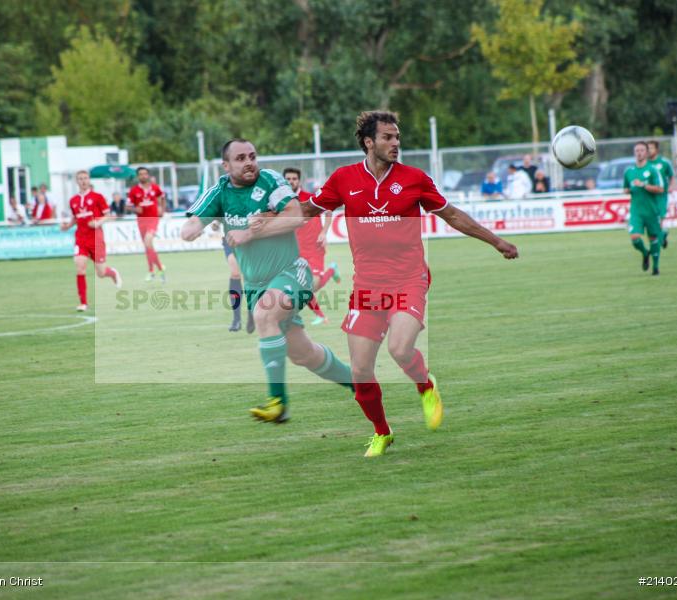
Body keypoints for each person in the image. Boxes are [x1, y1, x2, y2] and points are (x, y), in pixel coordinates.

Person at [301, 110, 519, 457]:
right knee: (360, 371)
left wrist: (496, 241)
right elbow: (306, 211)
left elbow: (452, 215)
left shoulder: (414, 179)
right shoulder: (344, 179)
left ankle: (425, 385)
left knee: (400, 349)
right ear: (369, 142)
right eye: (388, 137)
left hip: (408, 278)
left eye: (398, 137)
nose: (396, 143)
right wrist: (263, 226)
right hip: (368, 286)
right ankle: (382, 432)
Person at [181, 138, 355, 424]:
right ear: (226, 165)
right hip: (256, 285)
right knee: (304, 355)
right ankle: (361, 386)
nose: (249, 162)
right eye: (240, 158)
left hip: (292, 272)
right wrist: (195, 227)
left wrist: (251, 233)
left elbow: (296, 216)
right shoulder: (219, 192)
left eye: (252, 155)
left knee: (264, 314)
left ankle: (278, 404)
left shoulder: (271, 180)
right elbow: (188, 230)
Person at [283, 167, 341, 325]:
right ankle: (321, 316)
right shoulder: (282, 202)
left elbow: (328, 210)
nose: (291, 182)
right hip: (295, 251)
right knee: (301, 286)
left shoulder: (310, 198)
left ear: (299, 181)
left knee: (311, 286)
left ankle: (331, 270)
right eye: (288, 179)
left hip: (314, 247)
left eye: (294, 179)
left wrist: (324, 232)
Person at [60, 170, 122, 311]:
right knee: (79, 266)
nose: (83, 181)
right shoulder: (73, 200)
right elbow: (75, 218)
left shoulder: (97, 197)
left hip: (96, 238)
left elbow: (108, 215)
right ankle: (83, 303)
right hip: (81, 239)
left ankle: (112, 273)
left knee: (101, 273)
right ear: (77, 181)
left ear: (89, 180)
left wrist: (98, 223)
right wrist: (67, 226)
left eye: (85, 178)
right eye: (80, 178)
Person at [623, 141, 664, 276]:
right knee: (634, 238)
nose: (639, 153)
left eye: (642, 150)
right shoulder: (629, 171)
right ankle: (645, 253)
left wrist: (644, 185)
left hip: (651, 211)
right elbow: (626, 189)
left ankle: (656, 268)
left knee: (654, 239)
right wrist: (630, 189)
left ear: (646, 153)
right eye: (637, 150)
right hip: (636, 211)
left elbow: (660, 189)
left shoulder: (653, 170)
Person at [128, 167, 166, 282]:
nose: (143, 176)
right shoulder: (134, 190)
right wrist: (135, 209)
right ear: (138, 176)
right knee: (147, 246)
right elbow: (128, 206)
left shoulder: (155, 188)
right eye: (140, 174)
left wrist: (162, 210)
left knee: (148, 241)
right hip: (141, 221)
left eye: (145, 174)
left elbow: (162, 198)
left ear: (148, 175)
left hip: (153, 219)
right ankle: (158, 269)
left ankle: (152, 271)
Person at [647, 140, 674, 248]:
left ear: (656, 149)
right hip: (649, 197)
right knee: (652, 220)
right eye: (647, 148)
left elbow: (671, 176)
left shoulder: (664, 163)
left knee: (659, 219)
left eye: (651, 148)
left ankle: (659, 238)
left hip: (661, 196)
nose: (649, 150)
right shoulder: (646, 163)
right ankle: (663, 234)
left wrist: (671, 187)